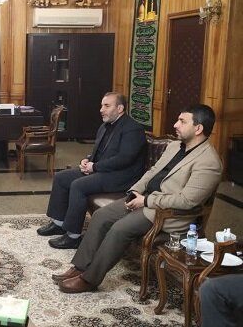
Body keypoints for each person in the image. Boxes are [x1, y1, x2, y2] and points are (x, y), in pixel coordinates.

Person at [53, 104, 222, 293]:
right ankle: (79, 267)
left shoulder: (209, 162)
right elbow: (153, 171)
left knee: (119, 228)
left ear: (198, 129)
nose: (175, 125)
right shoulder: (175, 146)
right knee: (100, 216)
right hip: (143, 198)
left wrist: (146, 201)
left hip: (164, 213)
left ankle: (89, 279)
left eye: (182, 121)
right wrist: (135, 191)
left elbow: (187, 201)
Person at [37, 92, 146, 249]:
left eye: (107, 106)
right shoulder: (104, 126)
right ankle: (59, 223)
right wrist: (87, 160)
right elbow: (99, 152)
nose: (101, 110)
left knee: (79, 185)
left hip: (121, 177)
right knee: (61, 177)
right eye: (102, 106)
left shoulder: (133, 129)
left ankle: (73, 236)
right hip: (102, 170)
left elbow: (125, 159)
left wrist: (95, 167)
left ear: (120, 108)